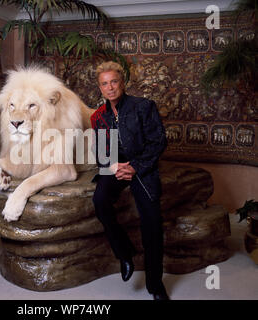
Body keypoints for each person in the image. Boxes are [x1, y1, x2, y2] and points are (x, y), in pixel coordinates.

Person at [90, 61, 169, 300]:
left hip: (141, 166)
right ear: (100, 88)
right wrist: (114, 166)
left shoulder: (143, 107)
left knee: (152, 223)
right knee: (100, 200)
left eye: (114, 81)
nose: (110, 87)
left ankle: (155, 286)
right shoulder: (100, 116)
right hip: (116, 167)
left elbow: (158, 142)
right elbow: (102, 151)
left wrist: (135, 167)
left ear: (123, 83)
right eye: (105, 84)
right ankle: (124, 253)